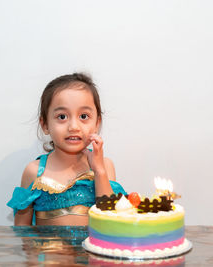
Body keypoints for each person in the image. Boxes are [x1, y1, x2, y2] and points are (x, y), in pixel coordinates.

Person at [7, 73, 126, 225]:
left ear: (97, 123)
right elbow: (22, 230)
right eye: (62, 117)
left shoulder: (105, 167)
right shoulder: (34, 172)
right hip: (47, 250)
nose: (74, 127)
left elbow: (112, 223)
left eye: (83, 116)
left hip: (92, 249)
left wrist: (99, 172)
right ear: (45, 125)